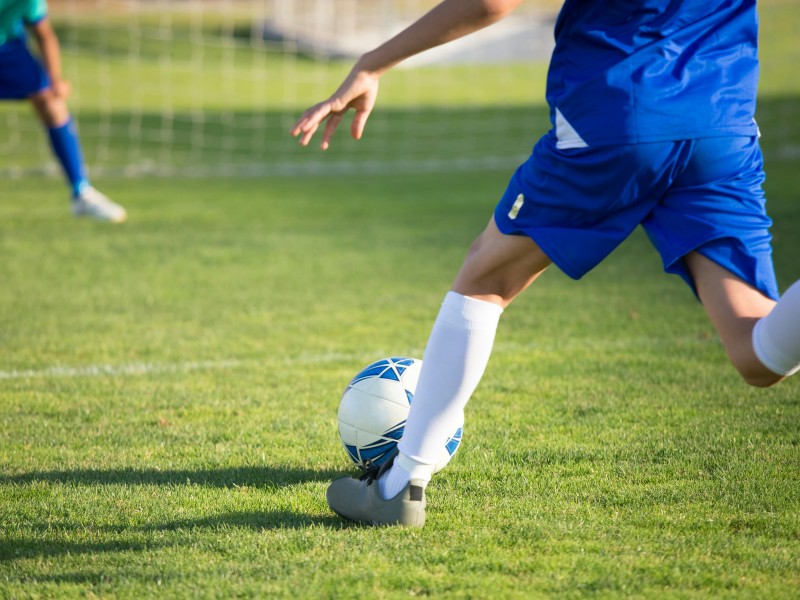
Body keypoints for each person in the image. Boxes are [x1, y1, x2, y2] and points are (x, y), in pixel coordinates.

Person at [291, 0, 800, 528]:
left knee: (487, 276)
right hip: (723, 123)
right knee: (757, 350)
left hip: (618, 110)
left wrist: (374, 61)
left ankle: (400, 486)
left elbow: (492, 2)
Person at [1, 0, 126, 223]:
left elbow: (44, 34)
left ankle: (82, 193)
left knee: (52, 103)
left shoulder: (30, 1)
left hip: (7, 50)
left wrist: (55, 79)